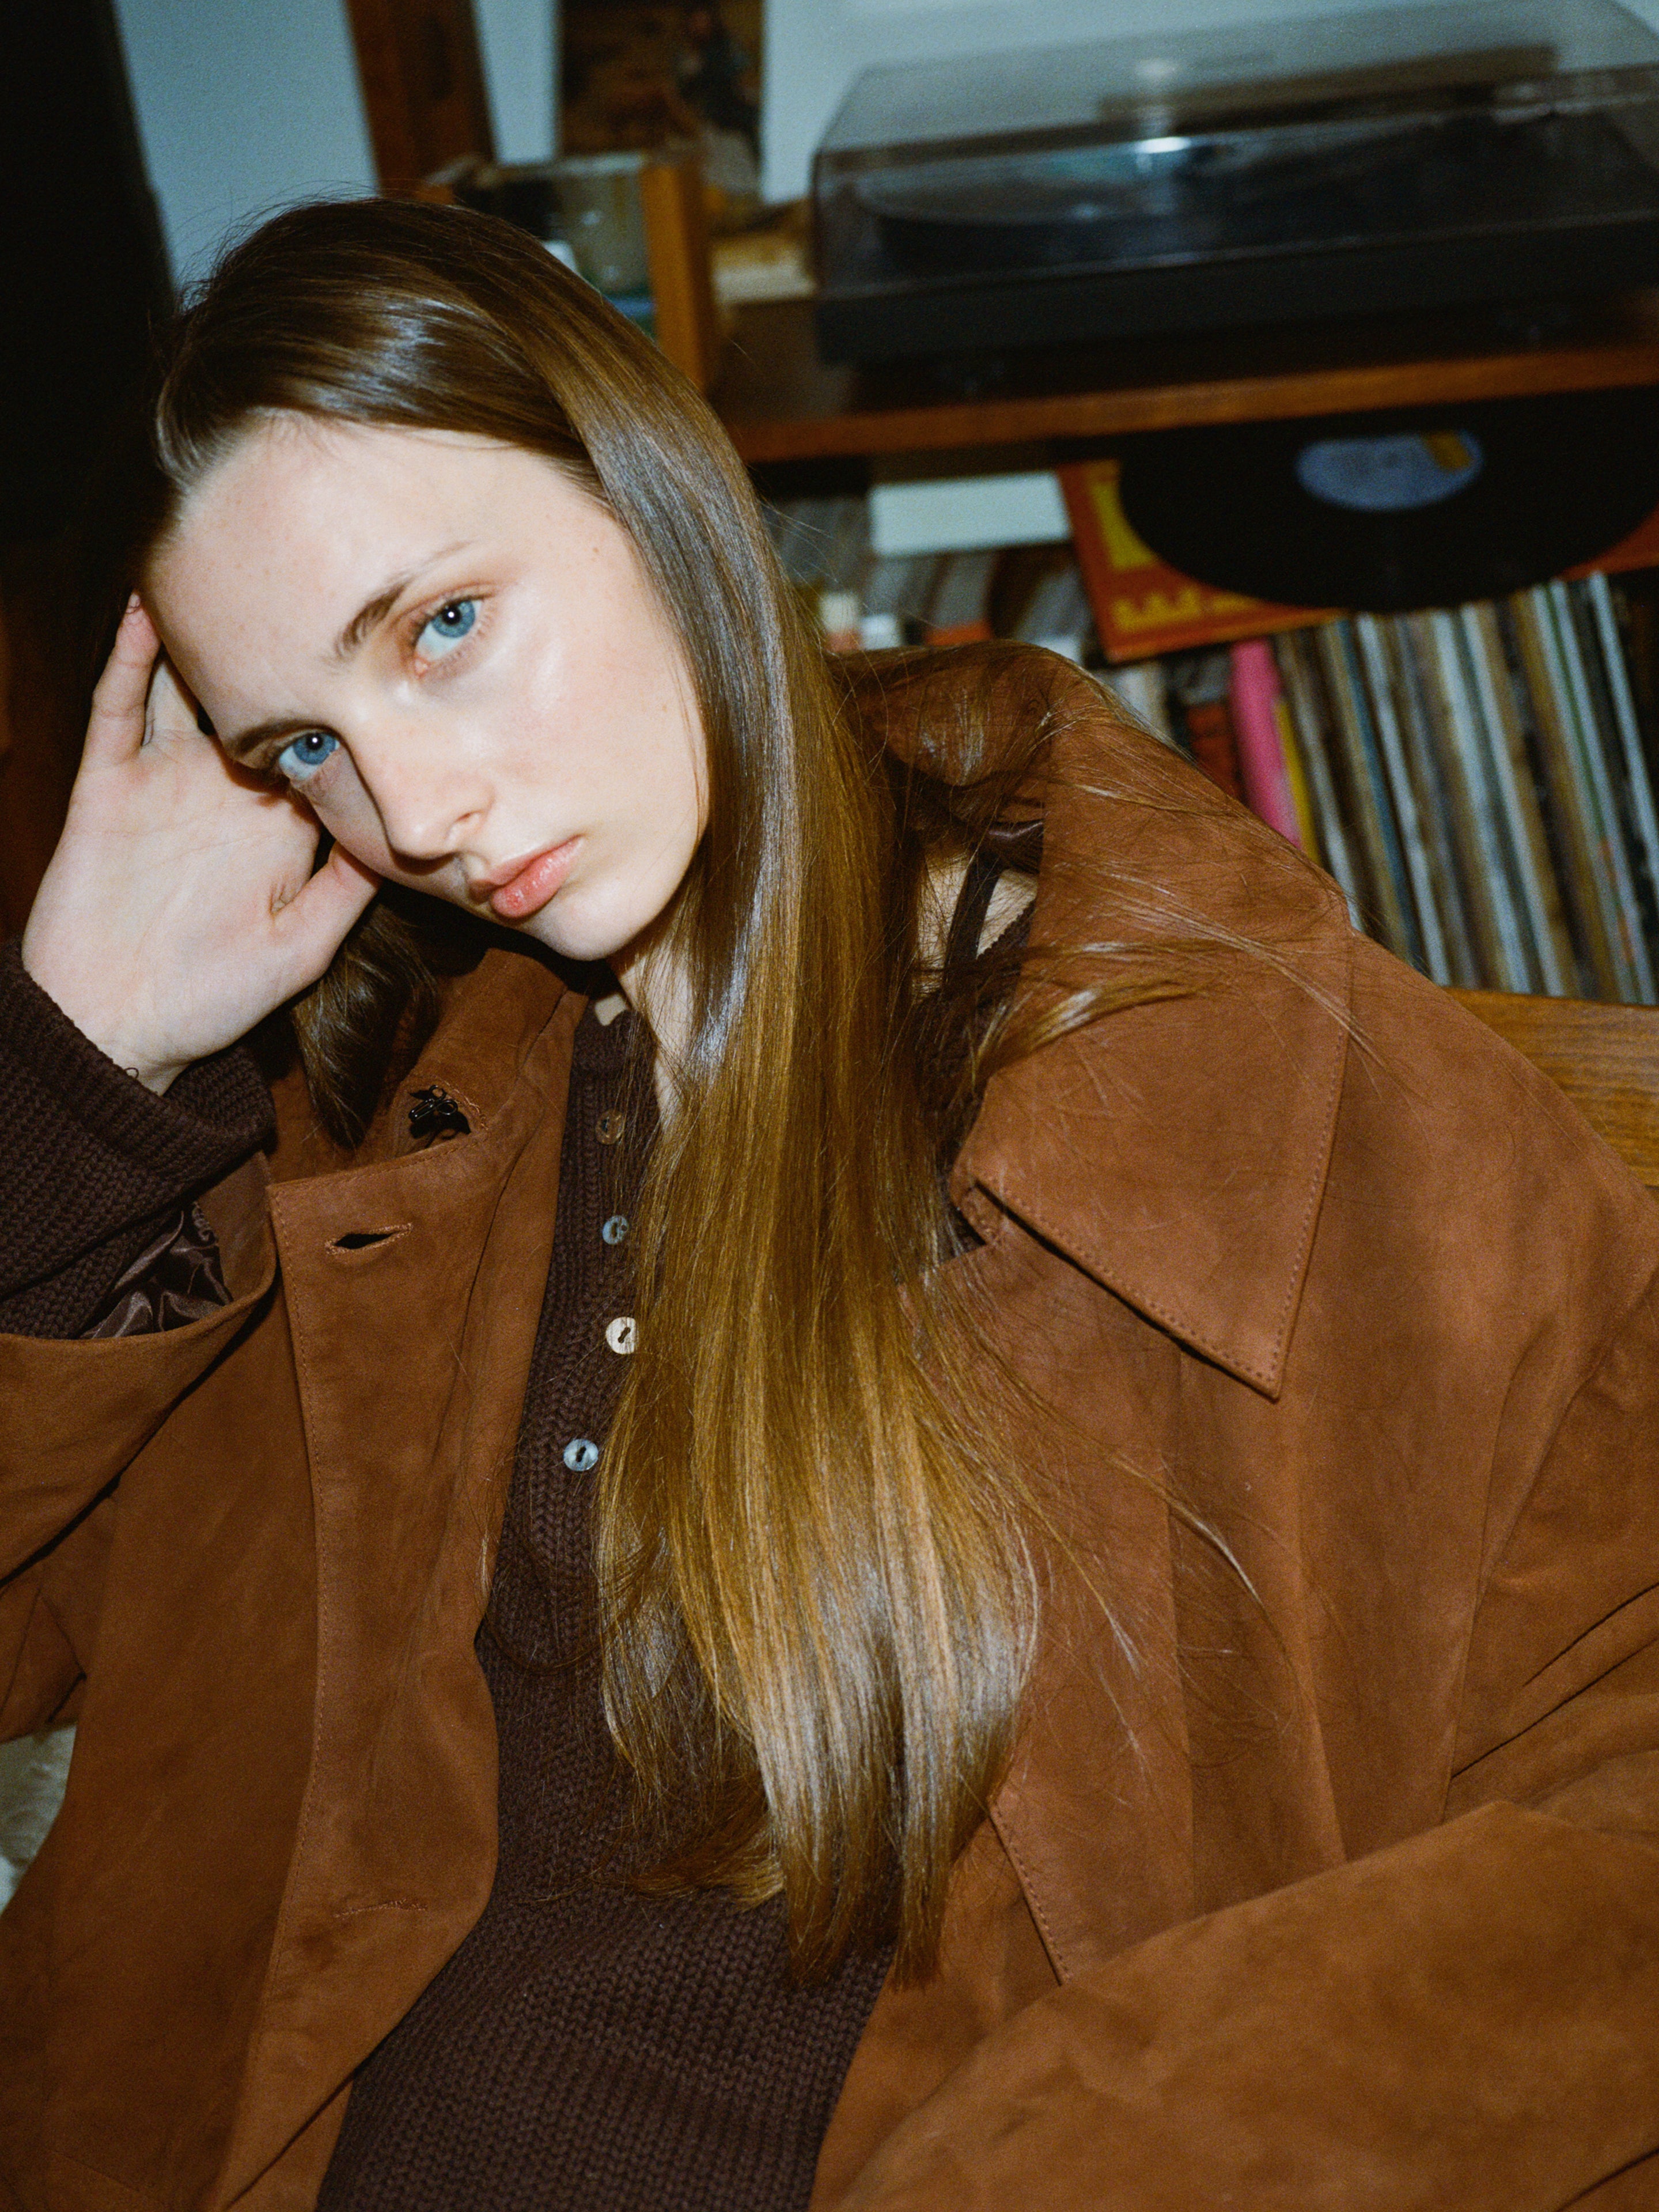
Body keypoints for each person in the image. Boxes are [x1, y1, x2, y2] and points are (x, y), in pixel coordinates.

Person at [3, 196, 1659, 2212]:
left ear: (654, 481)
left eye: (444, 626)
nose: (416, 812)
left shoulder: (1226, 1072)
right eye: (307, 747)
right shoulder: (372, 1143)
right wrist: (81, 1059)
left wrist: (1116, 2145)